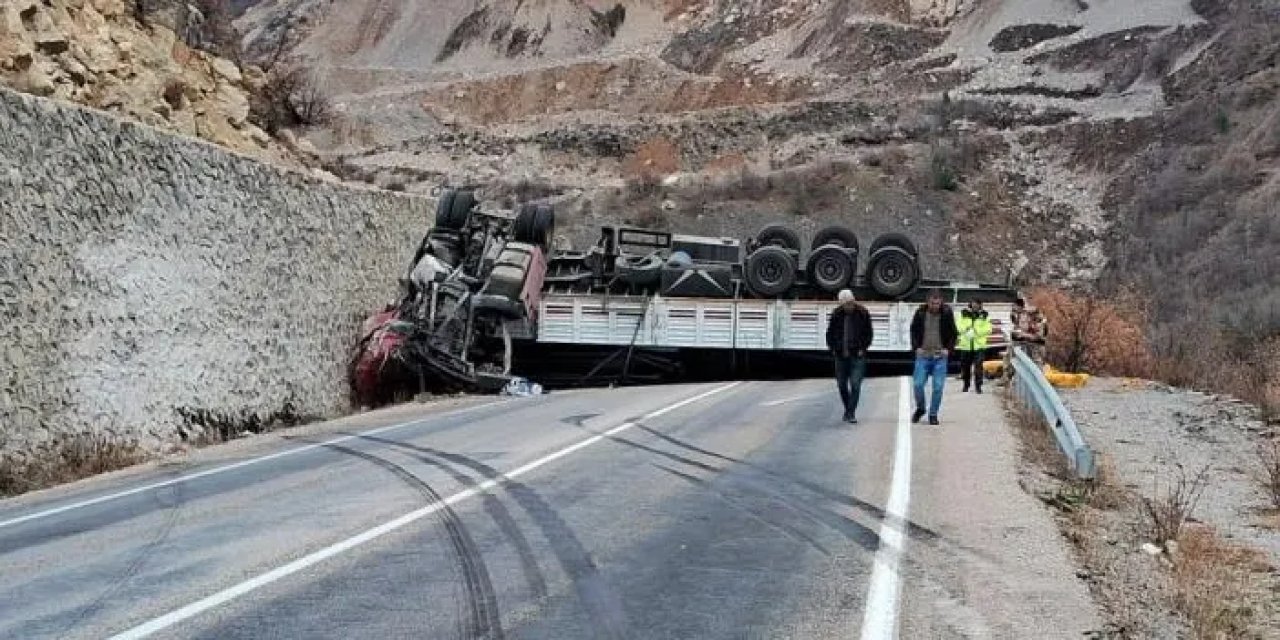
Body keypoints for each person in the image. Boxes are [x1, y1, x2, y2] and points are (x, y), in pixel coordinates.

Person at [910, 290, 958, 425]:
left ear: (941, 302)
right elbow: (913, 331)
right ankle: (921, 408)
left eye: (937, 303)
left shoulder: (946, 313)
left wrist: (948, 349)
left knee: (938, 387)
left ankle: (933, 414)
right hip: (923, 355)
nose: (935, 306)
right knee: (918, 384)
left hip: (939, 357)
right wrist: (916, 347)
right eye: (932, 303)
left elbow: (953, 333)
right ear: (927, 302)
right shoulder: (920, 313)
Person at [826, 289, 874, 424]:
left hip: (857, 355)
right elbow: (830, 333)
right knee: (841, 385)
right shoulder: (837, 314)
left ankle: (851, 413)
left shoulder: (863, 313)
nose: (849, 306)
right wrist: (833, 348)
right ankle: (848, 409)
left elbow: (869, 333)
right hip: (840, 355)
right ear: (841, 304)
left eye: (851, 302)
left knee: (855, 384)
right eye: (846, 304)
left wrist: (863, 348)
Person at [956, 300, 993, 394]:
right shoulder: (963, 313)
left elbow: (988, 329)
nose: (975, 305)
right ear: (970, 304)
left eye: (977, 304)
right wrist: (966, 329)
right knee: (965, 366)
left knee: (978, 366)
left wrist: (976, 331)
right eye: (973, 303)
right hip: (966, 345)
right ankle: (966, 384)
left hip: (979, 345)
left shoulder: (984, 315)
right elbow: (958, 325)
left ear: (980, 305)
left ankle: (978, 386)